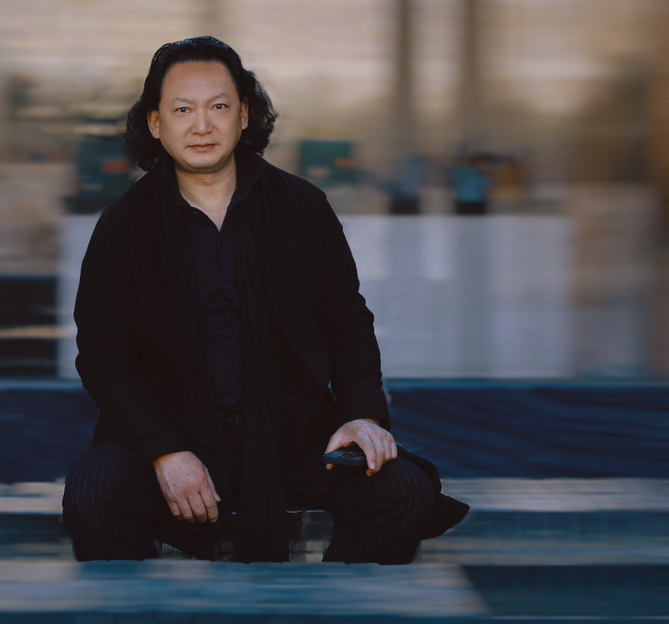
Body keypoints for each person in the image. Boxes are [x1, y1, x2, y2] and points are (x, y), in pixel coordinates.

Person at [62, 36, 468, 564]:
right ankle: (151, 606)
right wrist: (164, 451)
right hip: (171, 428)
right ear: (155, 123)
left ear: (244, 114)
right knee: (94, 493)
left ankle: (323, 605)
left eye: (218, 106)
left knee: (402, 490)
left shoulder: (302, 207)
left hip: (291, 432)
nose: (202, 126)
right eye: (182, 110)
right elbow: (103, 353)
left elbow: (346, 321)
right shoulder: (124, 225)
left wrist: (362, 416)